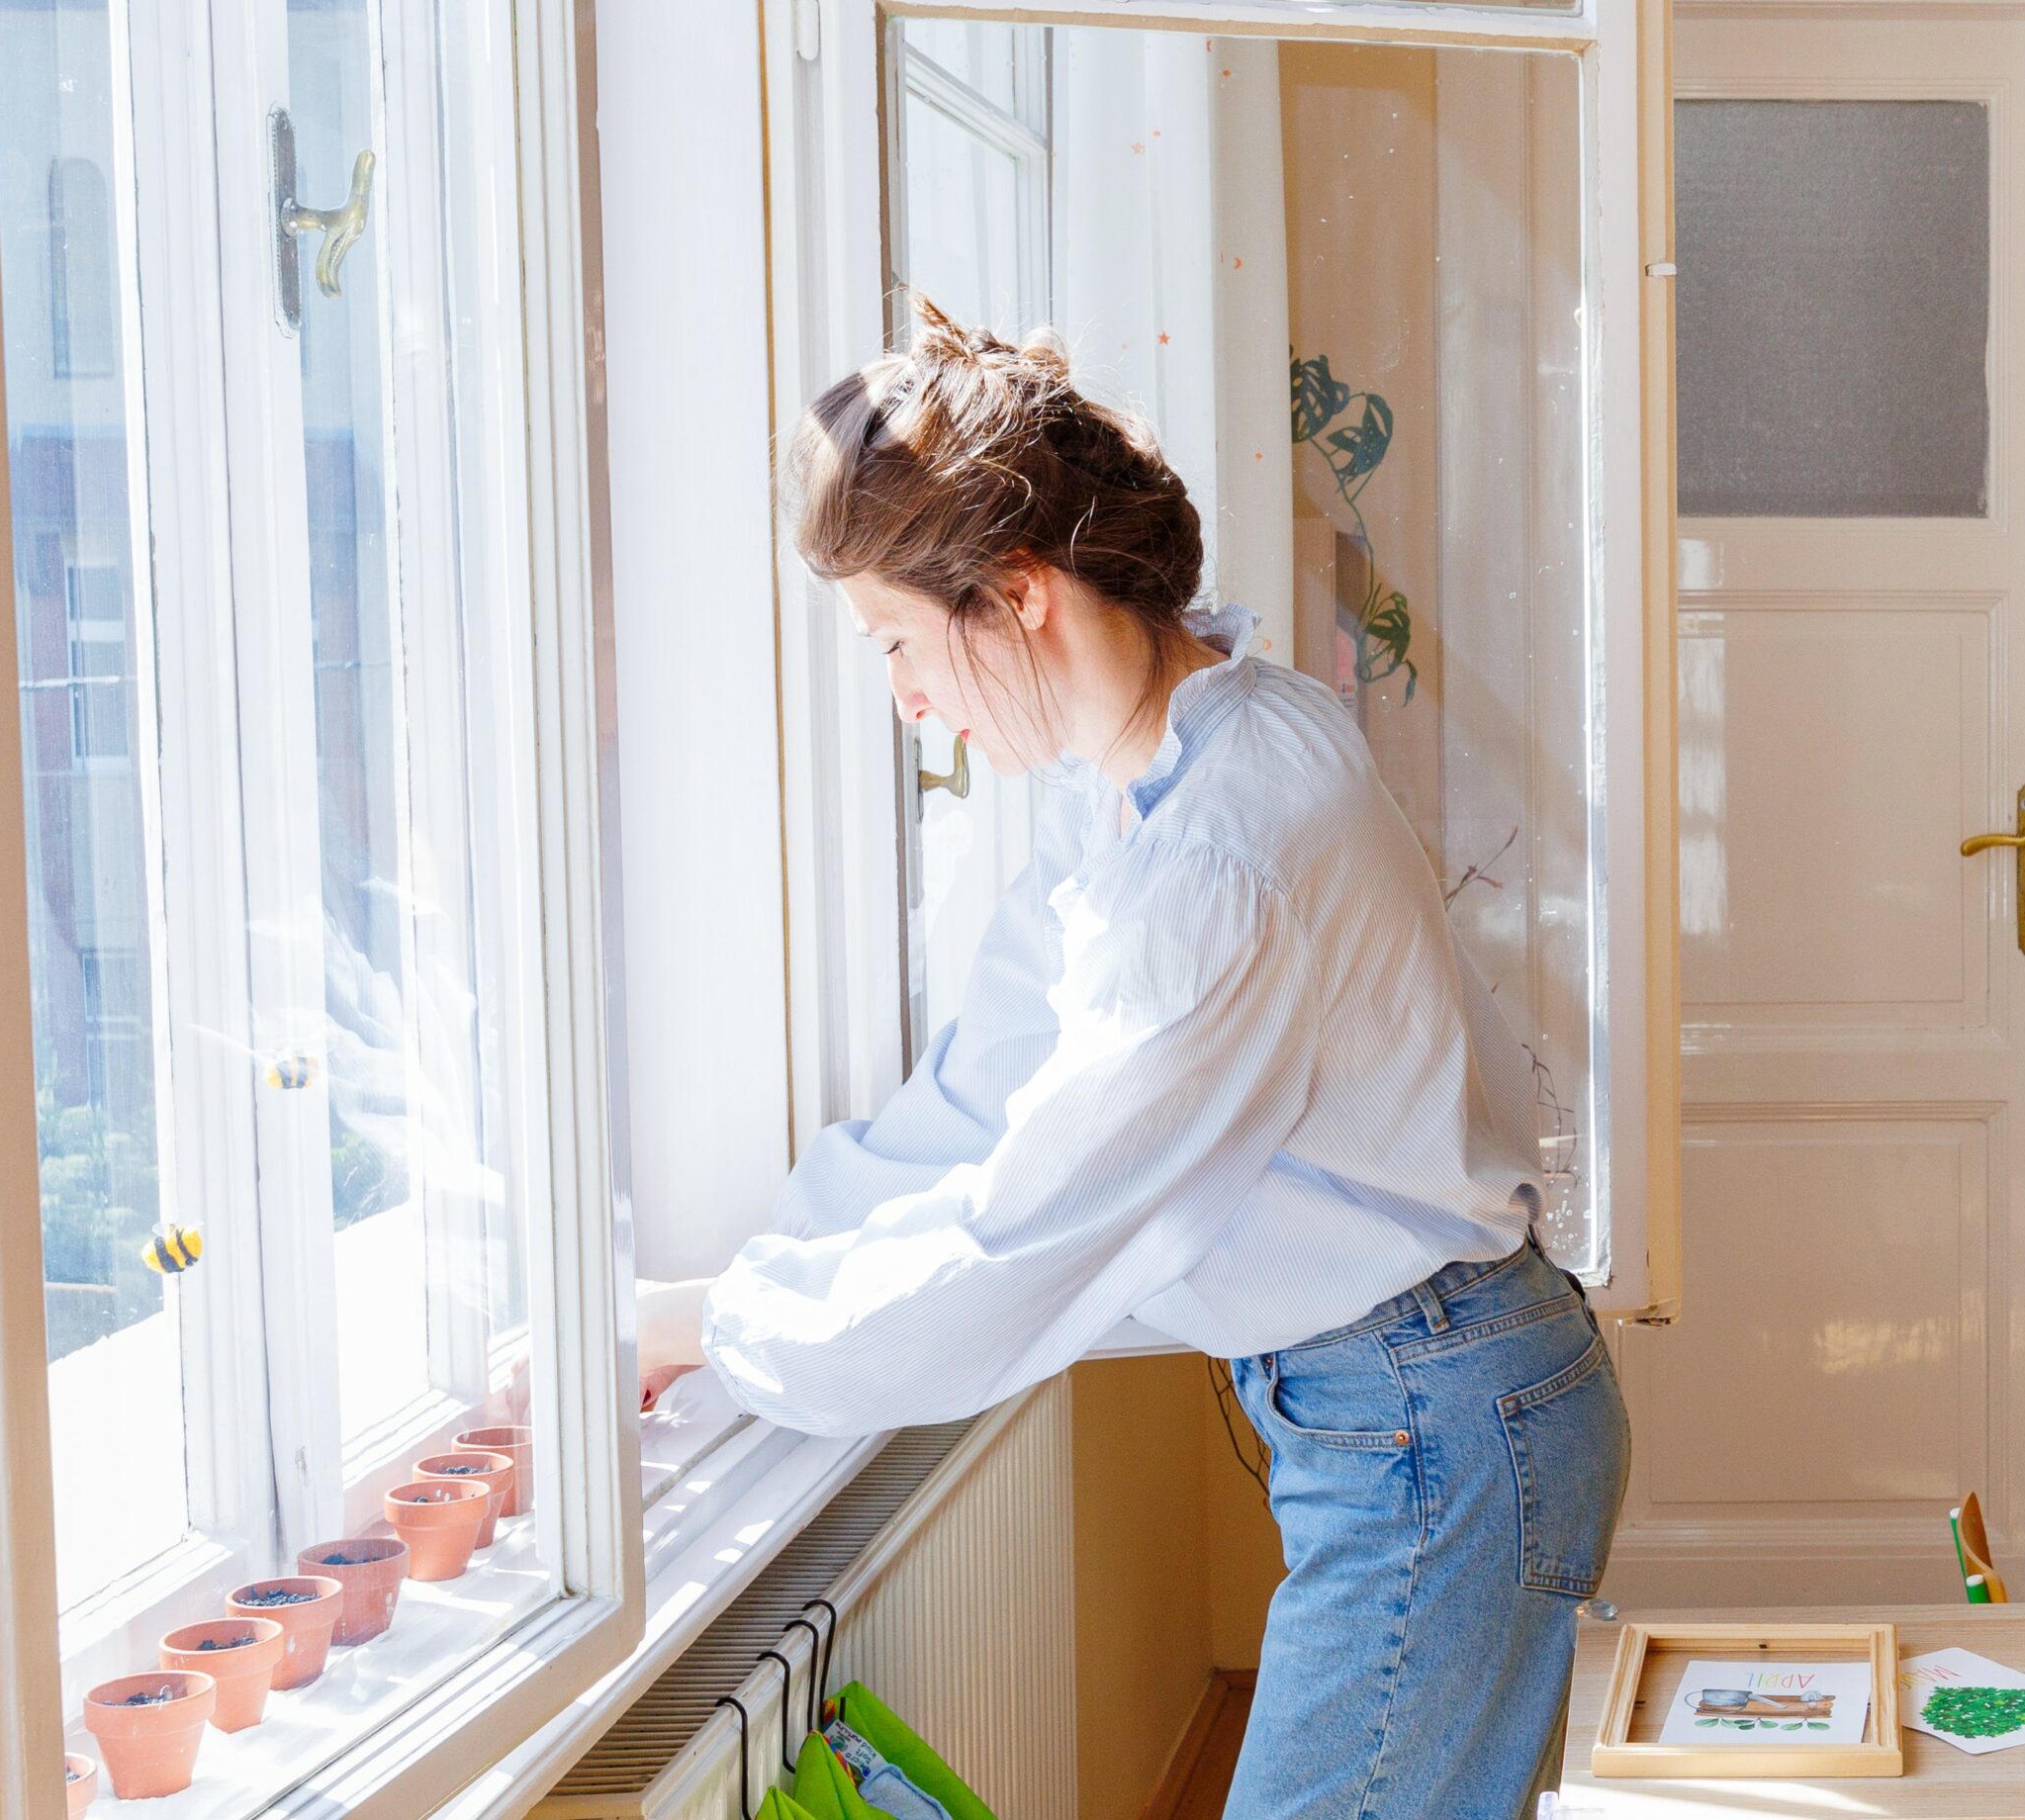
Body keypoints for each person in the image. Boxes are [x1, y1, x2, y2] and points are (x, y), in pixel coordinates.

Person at [636, 297, 1629, 1819]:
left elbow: (1024, 1241)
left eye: (901, 641)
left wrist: (726, 1323)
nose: (903, 696)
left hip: (1434, 1429)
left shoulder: (1214, 868)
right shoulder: (1174, 762)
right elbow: (979, 1103)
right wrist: (753, 1274)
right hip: (1433, 1409)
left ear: (1021, 593)